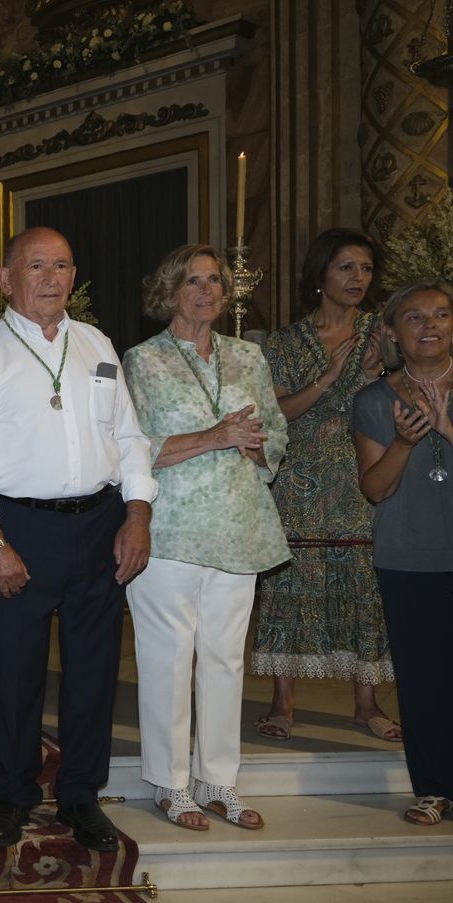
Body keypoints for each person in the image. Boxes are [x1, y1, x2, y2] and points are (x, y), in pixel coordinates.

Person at [0, 226, 155, 853]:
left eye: (62, 265)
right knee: (16, 671)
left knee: (94, 670)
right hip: (19, 527)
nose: (51, 277)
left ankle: (82, 795)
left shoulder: (98, 345)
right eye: (36, 265)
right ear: (7, 278)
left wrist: (137, 514)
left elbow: (129, 439)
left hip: (99, 523)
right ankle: (12, 792)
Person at [122, 245, 290, 831]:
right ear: (168, 292)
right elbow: (133, 447)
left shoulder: (248, 356)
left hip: (239, 527)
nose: (208, 290)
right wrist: (216, 435)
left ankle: (218, 780)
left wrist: (258, 444)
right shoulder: (141, 361)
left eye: (215, 280)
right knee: (169, 659)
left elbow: (277, 432)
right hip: (169, 530)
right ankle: (170, 785)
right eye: (193, 281)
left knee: (224, 660)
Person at [253, 228, 397, 742]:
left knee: (364, 588)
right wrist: (328, 377)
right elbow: (276, 416)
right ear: (320, 275)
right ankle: (282, 704)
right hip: (299, 482)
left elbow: (405, 400)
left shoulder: (386, 333)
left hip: (364, 478)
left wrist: (382, 370)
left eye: (364, 268)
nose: (357, 277)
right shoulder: (286, 343)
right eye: (345, 267)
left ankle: (367, 703)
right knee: (290, 588)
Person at [352, 280, 453, 827]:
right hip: (410, 557)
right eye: (414, 317)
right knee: (423, 678)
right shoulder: (374, 400)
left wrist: (446, 428)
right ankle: (433, 787)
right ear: (392, 332)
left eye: (441, 314)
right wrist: (406, 442)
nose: (430, 325)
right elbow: (375, 489)